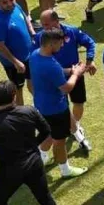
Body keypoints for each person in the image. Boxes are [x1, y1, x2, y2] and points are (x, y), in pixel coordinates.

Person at [28, 28, 88, 178]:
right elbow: (66, 88)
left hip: (41, 105)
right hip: (56, 109)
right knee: (59, 141)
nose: (62, 47)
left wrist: (69, 70)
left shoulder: (35, 55)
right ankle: (65, 170)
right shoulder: (51, 65)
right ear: (51, 44)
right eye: (60, 44)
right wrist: (76, 74)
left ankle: (41, 157)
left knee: (48, 132)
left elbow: (55, 73)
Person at [37, 9, 94, 152]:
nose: (44, 28)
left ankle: (75, 126)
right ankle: (71, 131)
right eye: (43, 25)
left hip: (76, 74)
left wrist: (89, 61)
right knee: (60, 109)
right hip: (56, 79)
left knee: (78, 102)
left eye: (47, 25)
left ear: (57, 22)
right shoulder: (40, 38)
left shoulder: (72, 31)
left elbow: (90, 43)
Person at [0, 0, 36, 104]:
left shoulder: (16, 7)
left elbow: (26, 19)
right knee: (18, 89)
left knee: (33, 81)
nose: (9, 4)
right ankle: (20, 115)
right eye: (5, 2)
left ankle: (41, 107)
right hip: (13, 63)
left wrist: (33, 33)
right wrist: (16, 62)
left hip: (28, 55)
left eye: (11, 0)